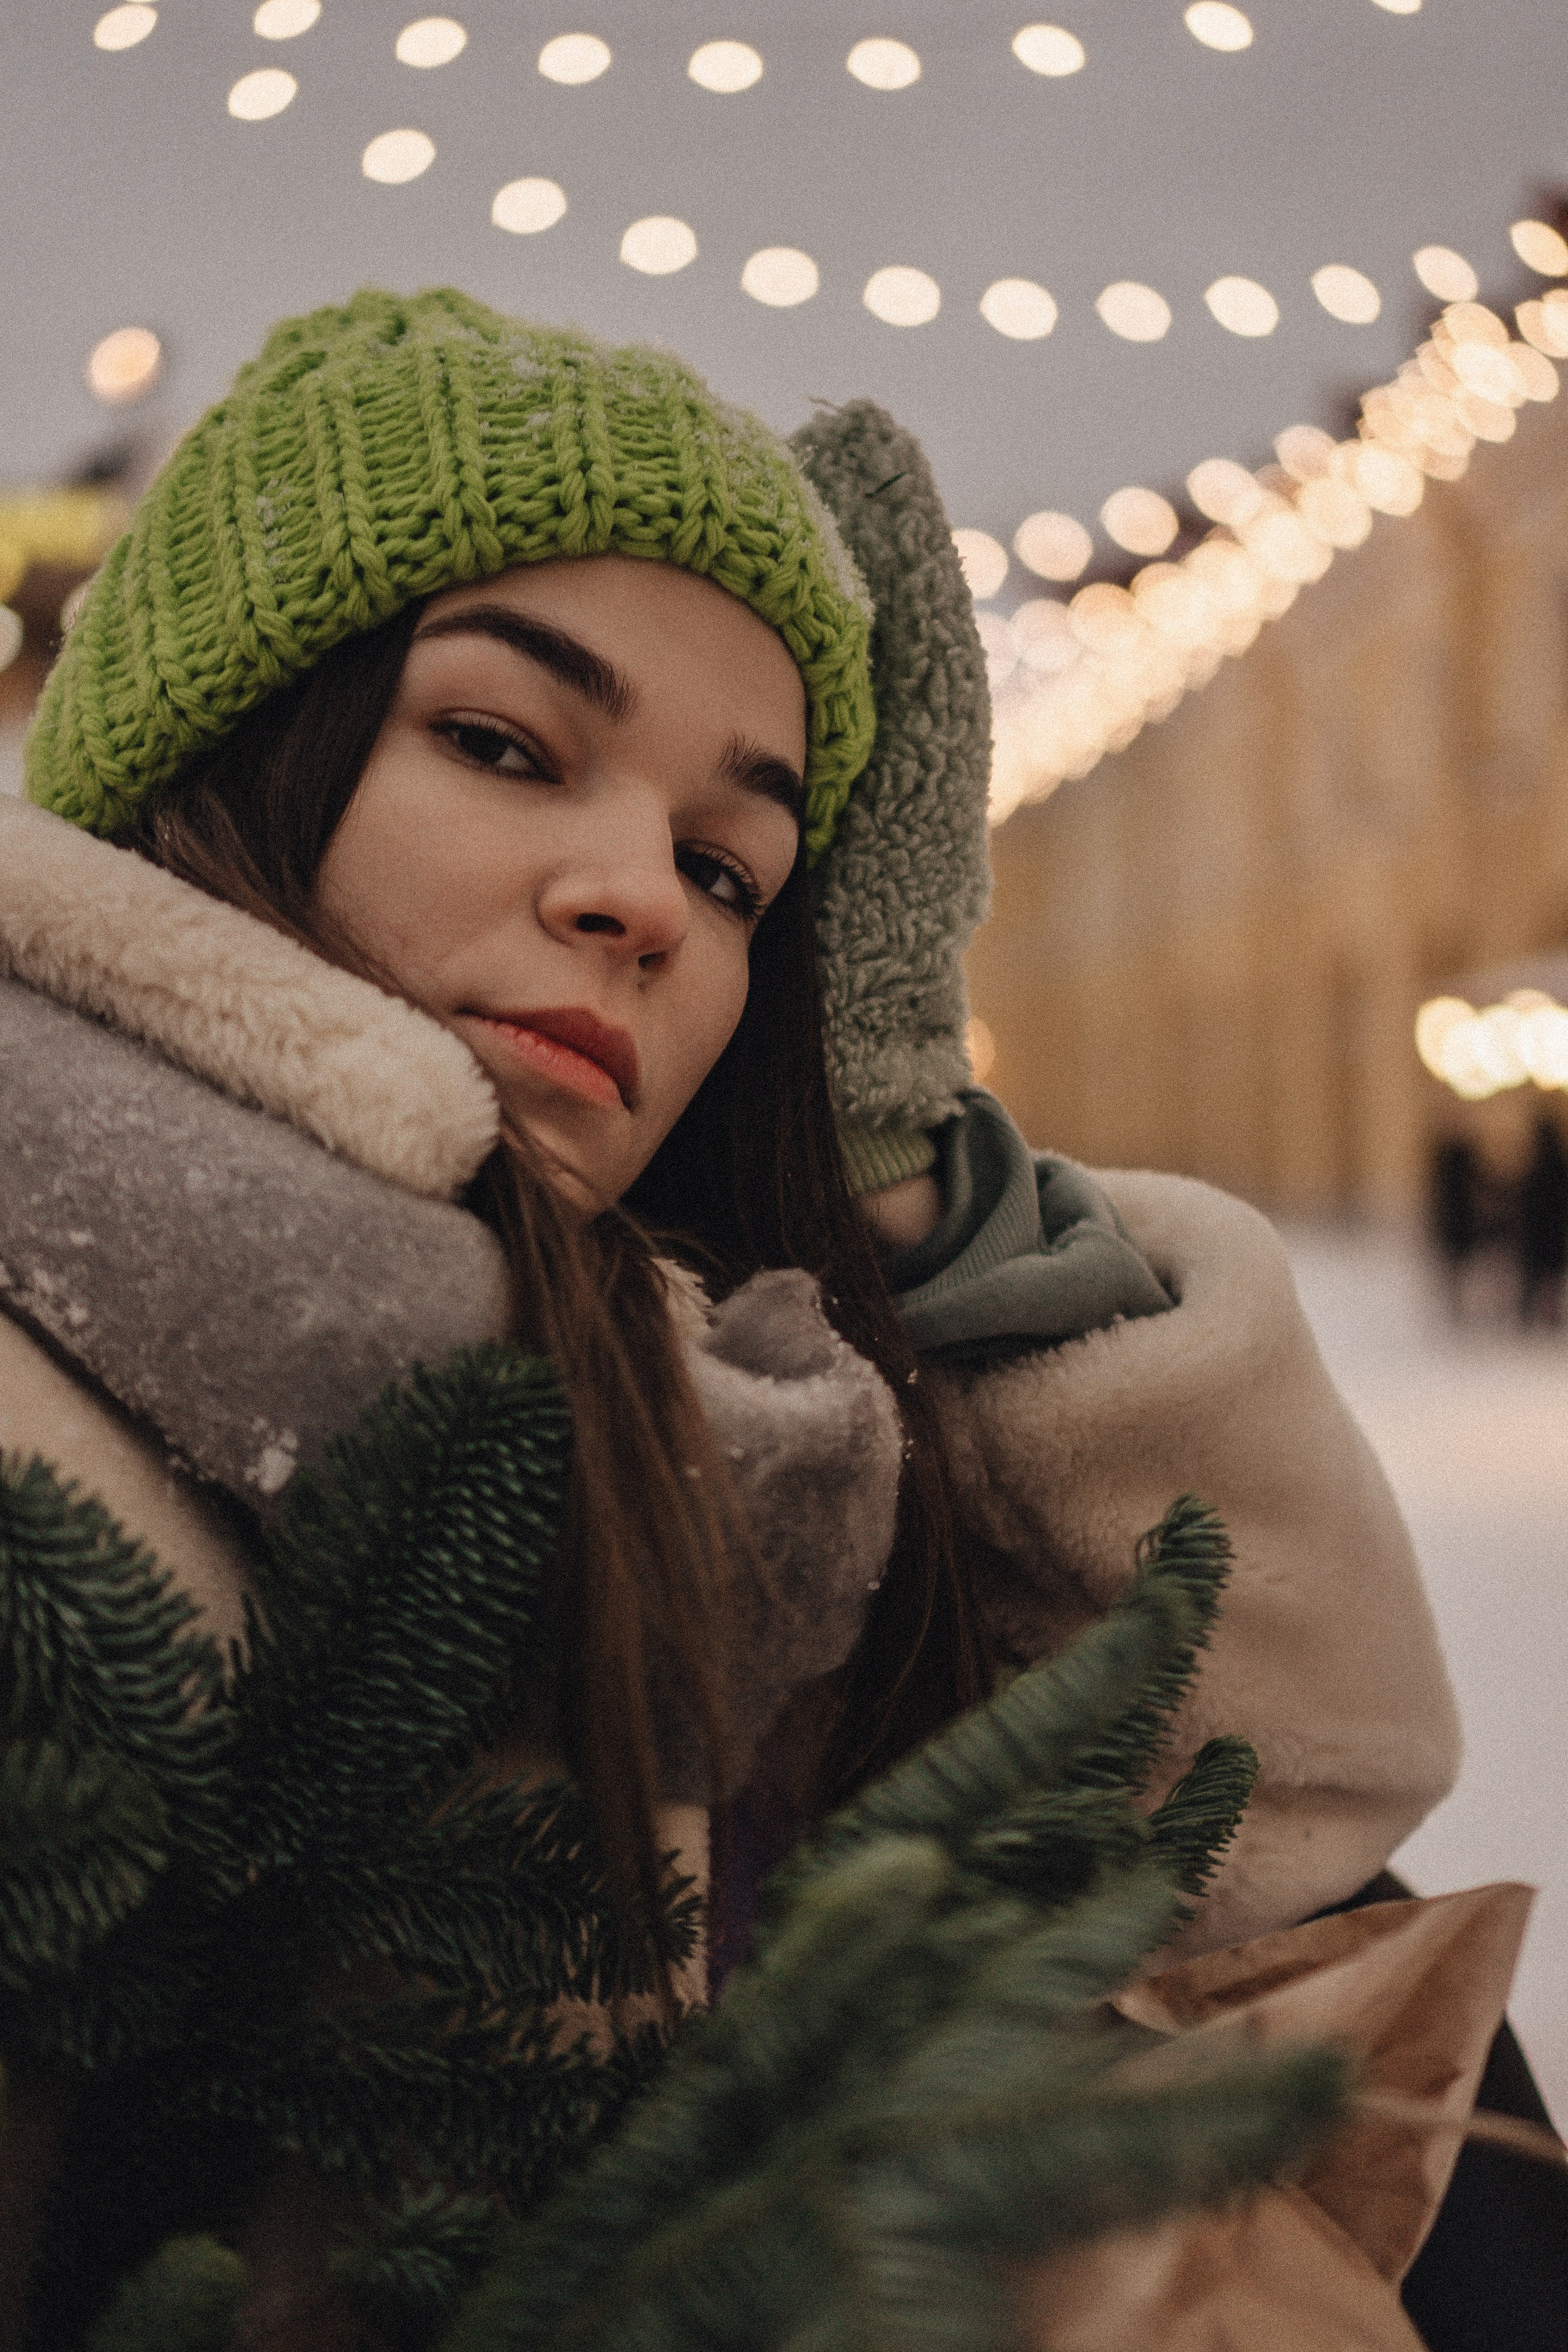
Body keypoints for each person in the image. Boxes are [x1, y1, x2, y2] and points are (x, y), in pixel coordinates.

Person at [3, 289, 1545, 2340]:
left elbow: (1277, 1831)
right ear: (225, 748)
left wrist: (900, 1177)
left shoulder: (692, 1393)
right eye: (497, 742)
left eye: (733, 869)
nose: (638, 889)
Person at [1516, 1114, 1568, 1328]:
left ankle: (1530, 1315)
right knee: (1551, 1276)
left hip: (1538, 1228)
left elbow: (1527, 1198)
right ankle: (1548, 1315)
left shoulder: (1536, 1166)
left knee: (1536, 1274)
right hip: (1554, 1227)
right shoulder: (1561, 1165)